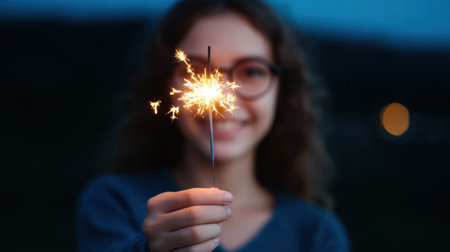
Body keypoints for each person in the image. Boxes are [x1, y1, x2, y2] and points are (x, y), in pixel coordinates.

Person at [76, 0, 350, 251]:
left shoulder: (316, 234)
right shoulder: (114, 203)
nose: (224, 97)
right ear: (165, 85)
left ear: (283, 90)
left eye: (252, 71)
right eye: (196, 71)